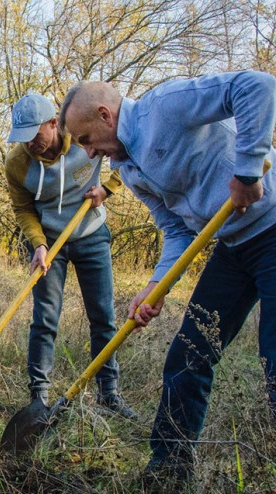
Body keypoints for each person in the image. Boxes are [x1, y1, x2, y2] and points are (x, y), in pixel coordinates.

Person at [59, 71, 276, 483]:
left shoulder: (167, 106)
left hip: (272, 226)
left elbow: (257, 86)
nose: (88, 154)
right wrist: (157, 286)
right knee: (188, 356)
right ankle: (167, 473)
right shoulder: (129, 170)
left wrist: (248, 172)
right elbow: (177, 230)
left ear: (105, 115)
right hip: (232, 248)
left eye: (86, 140)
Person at [5, 93, 136, 419]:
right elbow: (23, 209)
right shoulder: (17, 163)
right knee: (45, 318)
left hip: (91, 234)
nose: (30, 144)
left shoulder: (84, 135)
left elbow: (127, 155)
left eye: (35, 135)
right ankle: (39, 397)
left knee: (103, 317)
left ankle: (109, 394)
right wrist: (38, 244)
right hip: (49, 243)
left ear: (53, 124)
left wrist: (108, 189)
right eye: (22, 138)